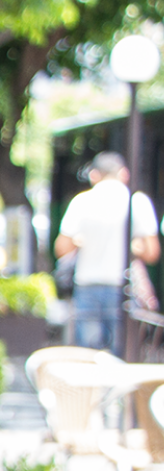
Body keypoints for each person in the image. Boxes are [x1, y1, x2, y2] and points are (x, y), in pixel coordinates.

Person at [55, 151, 161, 354]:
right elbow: (152, 253)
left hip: (87, 285)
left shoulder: (82, 201)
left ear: (94, 175)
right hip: (124, 287)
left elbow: (61, 248)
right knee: (122, 353)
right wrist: (133, 247)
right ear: (124, 173)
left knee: (88, 356)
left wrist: (82, 242)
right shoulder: (137, 201)